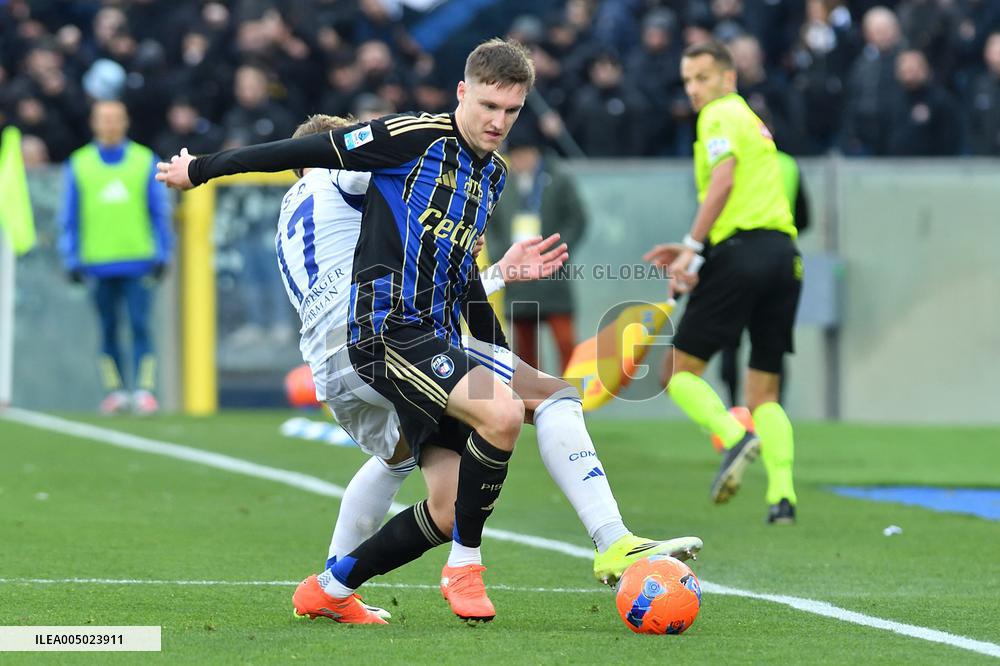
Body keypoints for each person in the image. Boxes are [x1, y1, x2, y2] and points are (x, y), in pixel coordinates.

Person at [159, 40, 701, 623]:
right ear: (462, 92)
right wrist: (202, 169)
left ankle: (331, 587)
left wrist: (493, 320)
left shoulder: (481, 177)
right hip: (384, 331)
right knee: (510, 411)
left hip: (343, 358)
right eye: (489, 106)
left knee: (440, 496)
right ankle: (540, 551)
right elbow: (319, 152)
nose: (499, 122)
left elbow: (450, 266)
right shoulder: (375, 159)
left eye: (512, 111)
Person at [264, 115, 700, 616]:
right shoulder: (344, 171)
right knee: (552, 394)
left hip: (333, 372)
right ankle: (611, 539)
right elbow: (411, 279)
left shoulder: (291, 216)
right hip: (381, 339)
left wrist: (489, 276)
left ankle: (332, 587)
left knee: (416, 478)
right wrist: (490, 267)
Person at [644, 41, 801, 525]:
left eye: (702, 78)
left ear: (728, 78)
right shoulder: (752, 121)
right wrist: (698, 249)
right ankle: (782, 498)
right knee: (765, 391)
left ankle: (735, 439)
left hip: (741, 254)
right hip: (785, 257)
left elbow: (725, 181)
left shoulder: (717, 115)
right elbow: (748, 196)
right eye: (687, 80)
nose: (694, 89)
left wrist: (692, 247)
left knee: (674, 372)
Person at [60, 100, 172, 415]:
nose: (109, 125)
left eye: (115, 119)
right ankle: (115, 390)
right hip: (97, 263)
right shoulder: (79, 163)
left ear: (125, 122)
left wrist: (163, 253)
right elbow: (68, 216)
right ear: (94, 123)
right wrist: (71, 258)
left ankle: (144, 390)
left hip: (138, 260)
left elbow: (159, 212)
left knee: (140, 326)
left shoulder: (143, 159)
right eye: (103, 119)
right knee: (108, 328)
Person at [485, 124, 586, 372]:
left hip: (553, 274)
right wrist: (503, 257)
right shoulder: (502, 181)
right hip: (517, 280)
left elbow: (577, 219)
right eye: (516, 155)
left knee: (565, 343)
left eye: (526, 153)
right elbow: (491, 224)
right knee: (524, 349)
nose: (521, 160)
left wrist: (557, 251)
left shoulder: (558, 178)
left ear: (537, 153)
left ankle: (572, 400)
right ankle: (532, 405)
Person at [718, 148, 810, 407]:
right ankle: (774, 407)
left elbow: (716, 203)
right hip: (782, 256)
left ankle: (734, 409)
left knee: (730, 340)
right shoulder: (788, 164)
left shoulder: (732, 162)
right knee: (772, 345)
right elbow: (804, 218)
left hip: (736, 256)